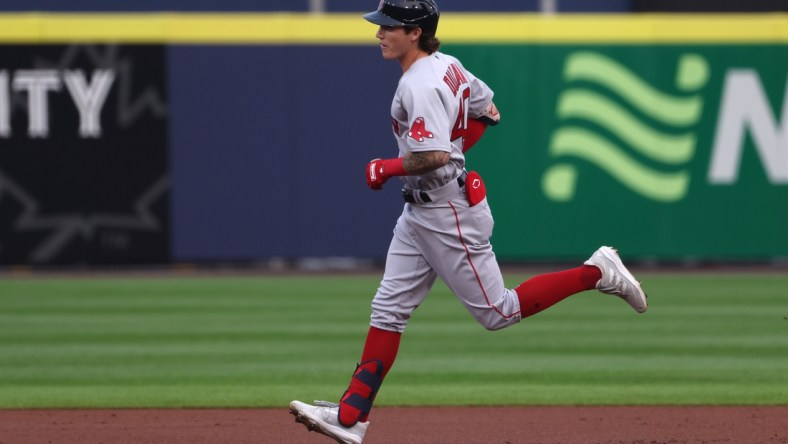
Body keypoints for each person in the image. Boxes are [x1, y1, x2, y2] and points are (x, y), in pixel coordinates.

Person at [290, 1, 648, 443]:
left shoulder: (420, 83)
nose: (379, 34)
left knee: (499, 311)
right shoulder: (447, 65)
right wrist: (452, 152)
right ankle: (349, 418)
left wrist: (385, 167)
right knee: (389, 309)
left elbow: (436, 154)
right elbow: (488, 111)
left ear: (416, 32)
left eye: (390, 27)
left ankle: (597, 272)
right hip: (421, 212)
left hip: (447, 210)